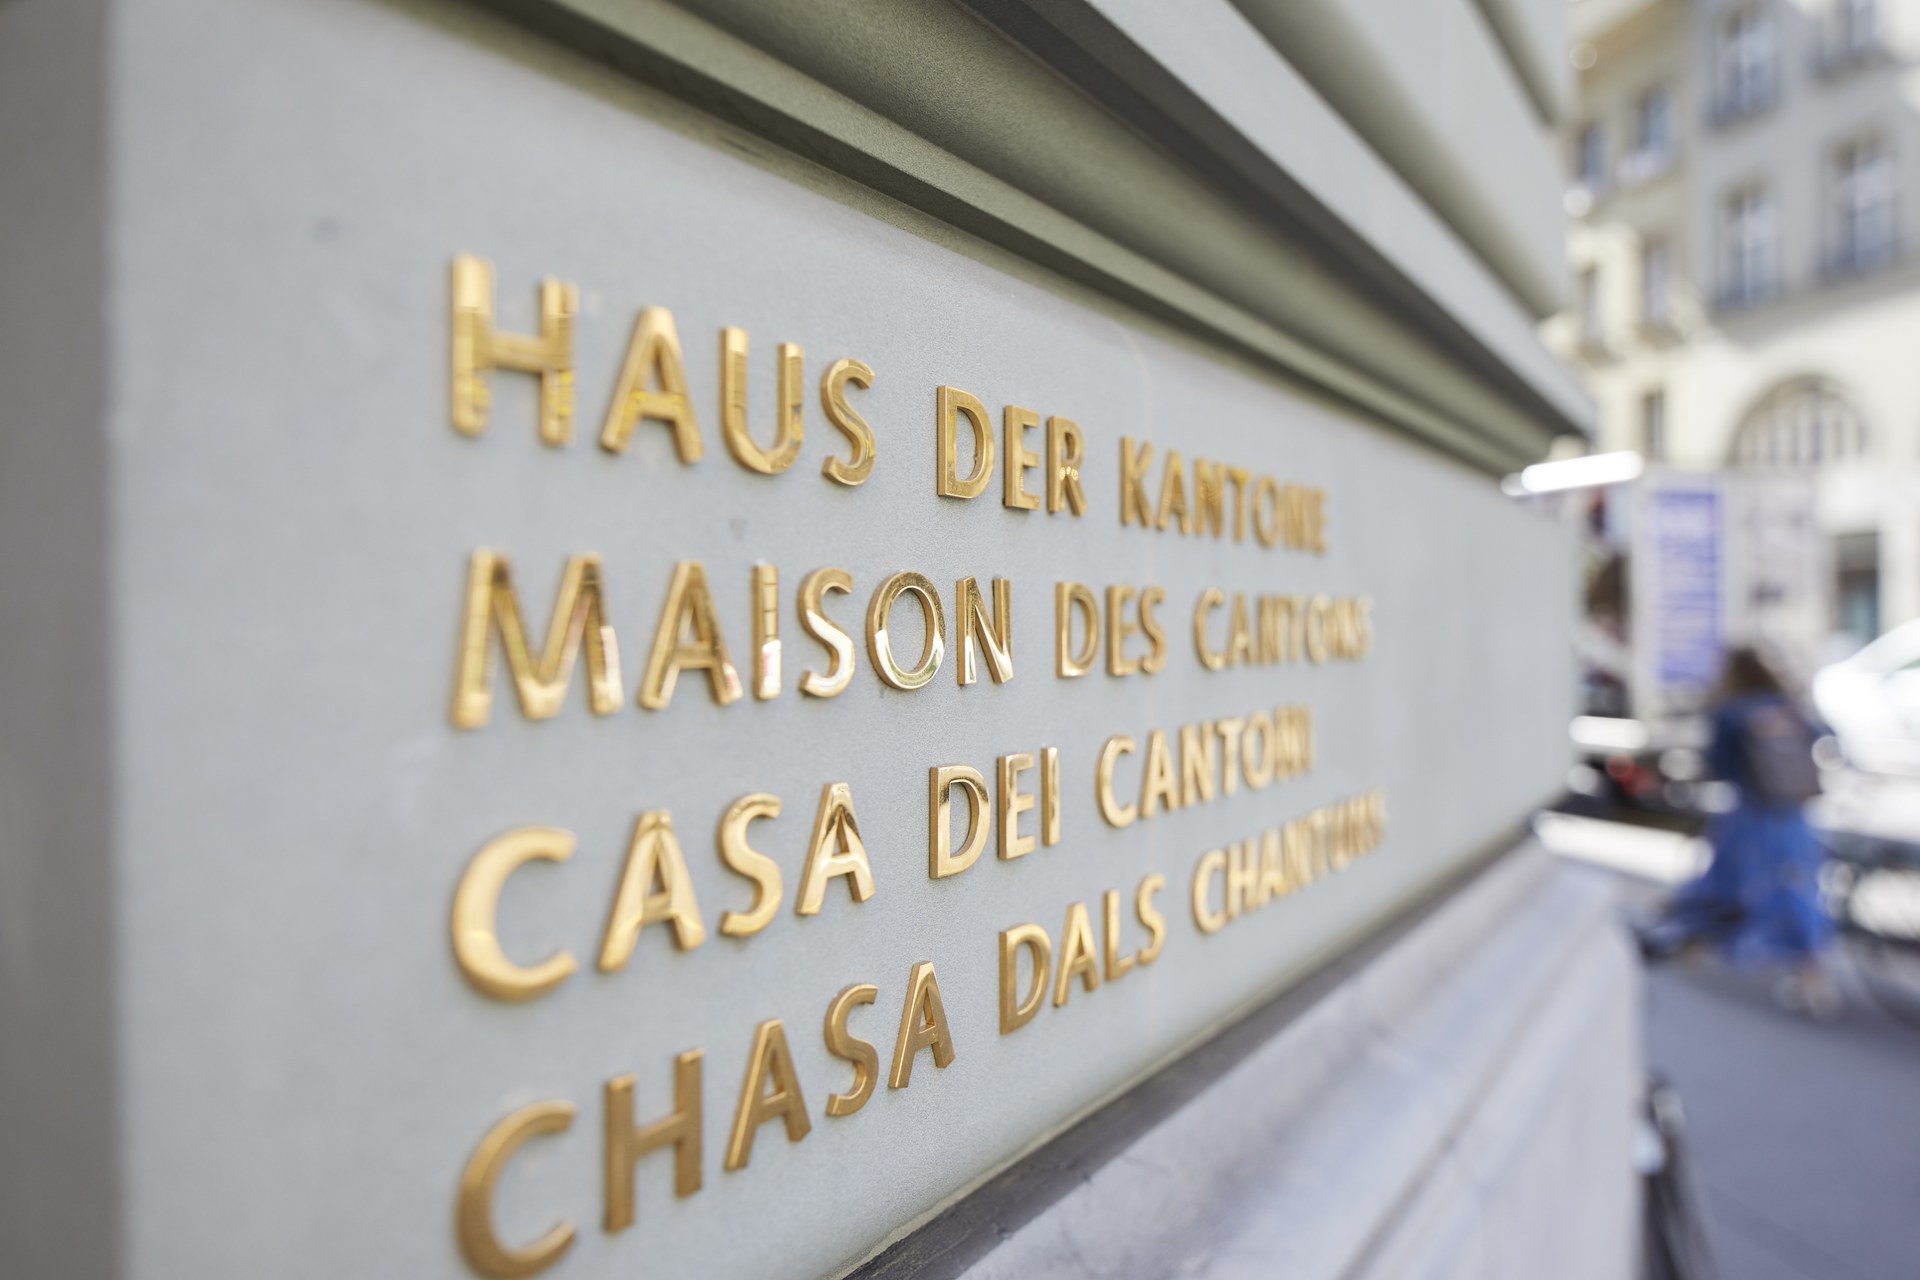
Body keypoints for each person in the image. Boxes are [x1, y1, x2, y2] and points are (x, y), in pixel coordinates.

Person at [1640, 647, 1836, 1014]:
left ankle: (1697, 942)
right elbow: (1823, 735)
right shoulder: (1783, 704)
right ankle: (1812, 970)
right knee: (1796, 886)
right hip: (1794, 816)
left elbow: (1717, 764)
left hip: (1751, 815)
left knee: (1727, 879)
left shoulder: (1730, 711)